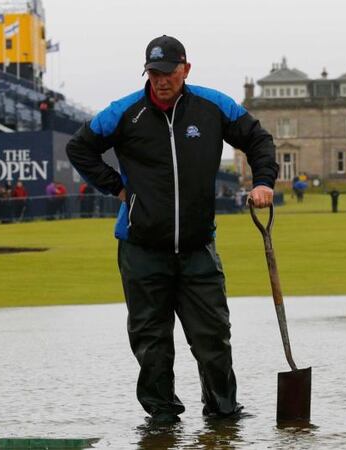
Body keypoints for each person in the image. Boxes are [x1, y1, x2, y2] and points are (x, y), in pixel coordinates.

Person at [66, 35, 278, 424]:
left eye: (169, 72)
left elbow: (258, 139)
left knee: (213, 336)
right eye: (154, 72)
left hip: (198, 247)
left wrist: (264, 181)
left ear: (186, 69)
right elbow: (79, 147)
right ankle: (162, 418)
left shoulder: (214, 106)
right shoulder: (124, 112)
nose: (161, 80)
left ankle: (223, 411)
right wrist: (116, 186)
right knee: (152, 341)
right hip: (141, 248)